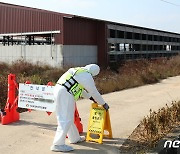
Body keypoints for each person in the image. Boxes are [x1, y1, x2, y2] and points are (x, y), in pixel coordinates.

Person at [51, 64, 109, 152]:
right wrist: (103, 103)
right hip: (65, 93)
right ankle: (58, 144)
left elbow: (80, 89)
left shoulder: (78, 71)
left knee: (68, 118)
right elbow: (93, 91)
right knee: (65, 119)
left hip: (60, 90)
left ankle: (74, 138)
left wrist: (90, 98)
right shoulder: (86, 75)